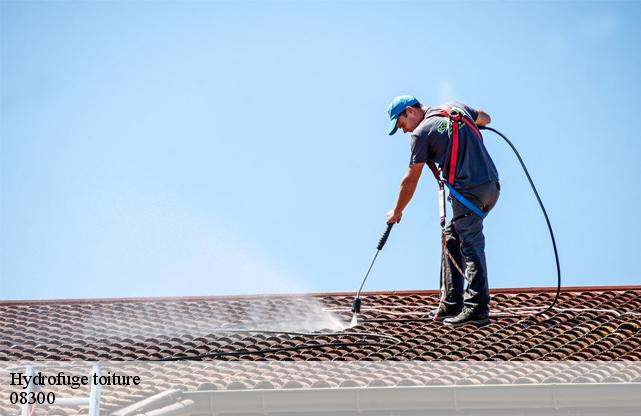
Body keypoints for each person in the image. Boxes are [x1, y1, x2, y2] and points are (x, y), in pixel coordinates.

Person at [385, 95, 500, 327]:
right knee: (452, 237)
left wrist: (397, 211)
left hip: (468, 192)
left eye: (401, 124)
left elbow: (410, 180)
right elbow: (486, 118)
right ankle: (452, 303)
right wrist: (466, 125)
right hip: (491, 187)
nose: (404, 131)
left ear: (410, 111)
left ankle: (477, 308)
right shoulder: (455, 108)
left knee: (470, 243)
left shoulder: (421, 133)